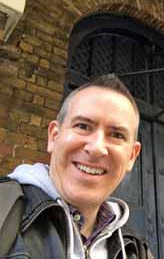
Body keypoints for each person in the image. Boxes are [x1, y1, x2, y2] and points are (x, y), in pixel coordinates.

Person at [3, 75, 153, 258]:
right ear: (54, 136)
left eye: (117, 135)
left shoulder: (135, 250)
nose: (97, 148)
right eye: (82, 126)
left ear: (131, 156)